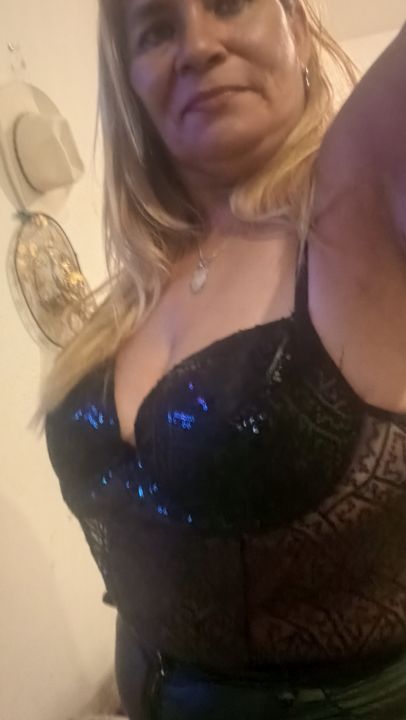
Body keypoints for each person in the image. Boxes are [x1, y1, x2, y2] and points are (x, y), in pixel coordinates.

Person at [44, 0, 406, 718]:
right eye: (156, 30)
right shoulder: (136, 291)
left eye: (229, 4)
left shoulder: (357, 201)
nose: (198, 46)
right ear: (130, 82)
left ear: (297, 27)